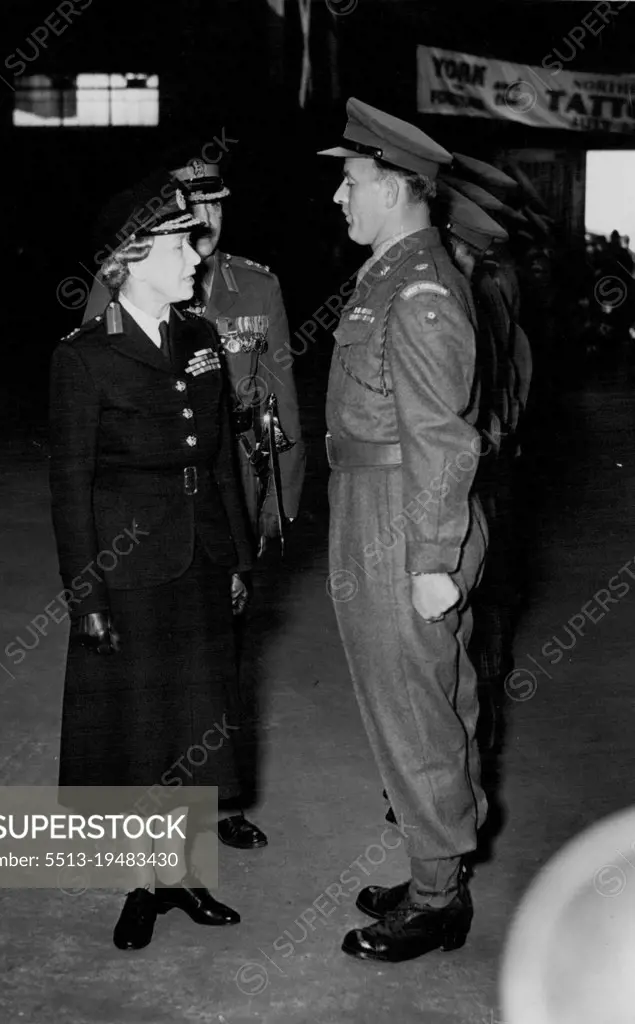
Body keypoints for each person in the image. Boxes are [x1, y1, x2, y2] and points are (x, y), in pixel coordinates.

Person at [49, 170, 253, 951]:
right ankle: (144, 885)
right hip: (127, 569)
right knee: (139, 732)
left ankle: (183, 875)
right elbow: (69, 487)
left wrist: (234, 554)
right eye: (178, 245)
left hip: (199, 555)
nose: (195, 256)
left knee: (194, 722)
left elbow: (224, 457)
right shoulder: (83, 359)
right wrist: (85, 596)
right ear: (127, 259)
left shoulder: (201, 338)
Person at [319, 97, 488, 963]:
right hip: (374, 500)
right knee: (417, 700)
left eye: (350, 184)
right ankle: (436, 864)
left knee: (413, 708)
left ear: (393, 189)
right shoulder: (389, 272)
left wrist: (430, 559)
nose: (339, 199)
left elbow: (441, 435)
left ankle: (436, 899)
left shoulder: (417, 290)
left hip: (402, 512)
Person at [84, 156, 305, 557]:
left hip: (239, 474)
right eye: (193, 204)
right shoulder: (125, 281)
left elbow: (280, 397)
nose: (206, 218)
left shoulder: (258, 286)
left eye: (216, 204)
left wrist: (280, 497)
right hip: (152, 478)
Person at [436, 183, 526, 752]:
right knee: (479, 619)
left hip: (470, 477)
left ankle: (464, 761)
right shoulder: (480, 289)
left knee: (467, 628)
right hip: (486, 467)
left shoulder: (467, 296)